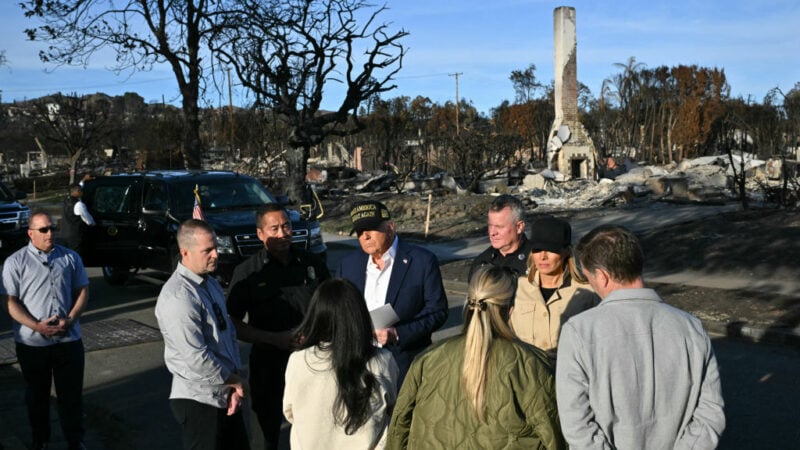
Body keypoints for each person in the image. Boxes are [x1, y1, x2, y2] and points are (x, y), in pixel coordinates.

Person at [556, 225, 726, 449]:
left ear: (603, 277)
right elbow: (710, 414)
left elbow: (576, 423)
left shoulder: (579, 331)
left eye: (589, 278)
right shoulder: (691, 327)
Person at [386, 266, 565, 450]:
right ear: (510, 310)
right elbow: (554, 434)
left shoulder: (427, 360)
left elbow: (399, 427)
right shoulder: (530, 364)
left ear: (468, 304)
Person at [227, 203, 330, 450]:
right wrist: (274, 339)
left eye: (286, 226)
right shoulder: (248, 273)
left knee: (316, 432)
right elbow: (232, 324)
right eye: (274, 228)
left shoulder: (312, 264)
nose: (283, 233)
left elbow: (331, 307)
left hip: (312, 363)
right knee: (265, 436)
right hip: (269, 365)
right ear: (260, 234)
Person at [155, 219, 249, 450]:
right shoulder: (178, 297)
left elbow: (226, 335)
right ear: (185, 252)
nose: (216, 254)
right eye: (207, 250)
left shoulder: (210, 284)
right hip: (199, 401)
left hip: (224, 393)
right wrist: (236, 381)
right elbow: (197, 358)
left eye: (215, 247)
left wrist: (233, 384)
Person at [2, 211, 89, 450]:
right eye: (44, 230)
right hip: (33, 345)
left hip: (68, 341)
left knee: (71, 396)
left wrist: (70, 320)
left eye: (52, 228)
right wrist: (36, 326)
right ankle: (40, 440)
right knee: (37, 396)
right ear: (30, 233)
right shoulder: (15, 262)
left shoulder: (70, 258)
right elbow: (10, 302)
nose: (50, 233)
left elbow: (82, 290)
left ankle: (75, 440)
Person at [336, 200, 448, 385]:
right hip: (358, 363)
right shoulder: (348, 264)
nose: (365, 236)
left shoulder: (422, 261)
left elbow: (437, 311)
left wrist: (398, 334)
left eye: (371, 229)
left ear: (390, 227)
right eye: (359, 232)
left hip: (404, 364)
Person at [283, 278, 399, 449]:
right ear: (359, 316)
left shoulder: (299, 359)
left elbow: (290, 412)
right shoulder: (382, 360)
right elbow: (393, 410)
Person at [509, 217, 598, 357]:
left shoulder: (588, 293)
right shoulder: (517, 288)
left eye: (551, 250)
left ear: (567, 251)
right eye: (537, 249)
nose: (543, 257)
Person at [468, 194, 534, 281]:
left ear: (519, 227)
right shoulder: (482, 263)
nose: (492, 232)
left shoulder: (537, 261)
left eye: (499, 227)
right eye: (490, 225)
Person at [59, 184, 95, 257]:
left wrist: (83, 180)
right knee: (76, 258)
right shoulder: (79, 204)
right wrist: (94, 223)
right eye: (81, 190)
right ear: (77, 191)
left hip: (64, 234)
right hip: (75, 236)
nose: (82, 192)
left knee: (67, 257)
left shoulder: (66, 201)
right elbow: (89, 221)